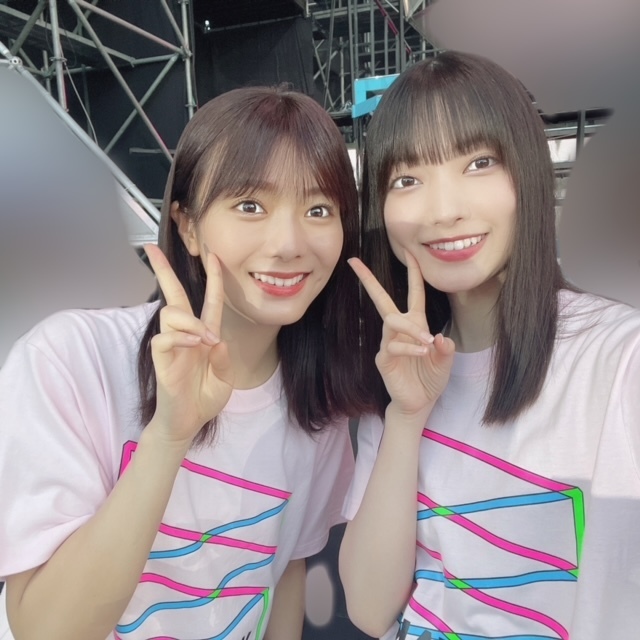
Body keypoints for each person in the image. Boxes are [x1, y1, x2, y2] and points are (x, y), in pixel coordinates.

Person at [0, 85, 370, 640]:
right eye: (251, 206)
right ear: (188, 226)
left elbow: (286, 572)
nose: (289, 243)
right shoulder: (71, 360)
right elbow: (45, 630)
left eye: (318, 209)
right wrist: (168, 436)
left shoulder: (319, 404)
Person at [339, 51, 640, 640]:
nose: (444, 210)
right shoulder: (401, 369)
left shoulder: (618, 358)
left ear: (526, 173)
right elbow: (370, 611)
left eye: (478, 163)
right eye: (407, 179)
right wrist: (406, 417)